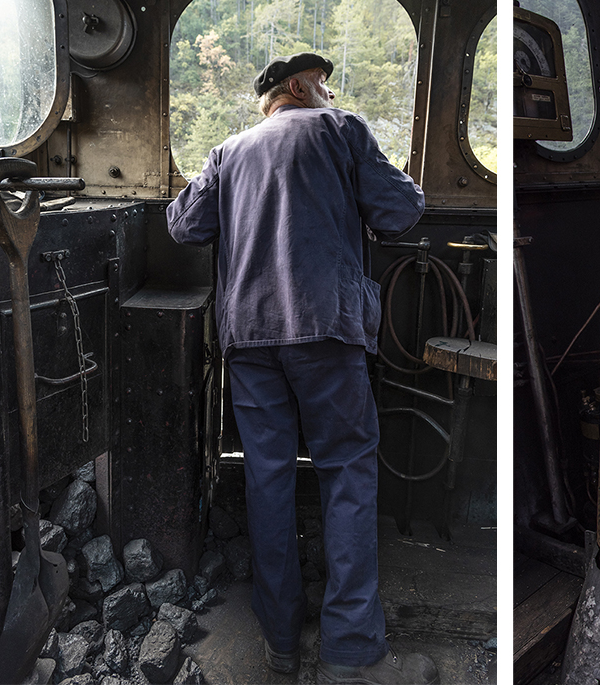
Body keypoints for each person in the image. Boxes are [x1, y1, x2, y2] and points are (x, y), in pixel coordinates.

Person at [166, 52, 438, 684]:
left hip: (252, 339)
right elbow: (402, 211)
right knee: (346, 471)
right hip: (327, 330)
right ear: (296, 87)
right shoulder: (342, 129)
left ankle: (280, 641)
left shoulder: (229, 150)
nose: (330, 91)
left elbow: (184, 225)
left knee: (267, 479)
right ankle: (348, 649)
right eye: (322, 83)